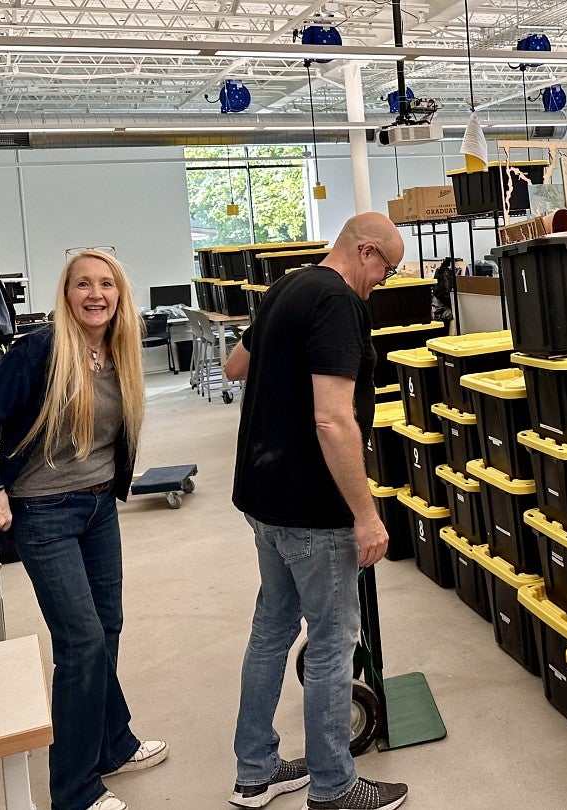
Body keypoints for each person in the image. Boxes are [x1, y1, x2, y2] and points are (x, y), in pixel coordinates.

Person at [0, 249, 164, 810]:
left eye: (106, 284)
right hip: (44, 512)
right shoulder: (42, 351)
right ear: (65, 296)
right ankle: (74, 790)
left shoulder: (119, 353)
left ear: (120, 295)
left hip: (98, 510)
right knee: (81, 642)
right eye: (82, 285)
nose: (96, 294)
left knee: (107, 629)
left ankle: (113, 743)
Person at [224, 212, 409, 810]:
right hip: (312, 506)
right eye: (388, 268)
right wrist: (366, 514)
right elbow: (332, 417)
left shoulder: (287, 288)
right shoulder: (336, 301)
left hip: (263, 498)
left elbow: (235, 364)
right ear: (366, 251)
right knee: (332, 645)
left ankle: (255, 772)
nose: (386, 281)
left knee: (272, 630)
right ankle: (334, 788)